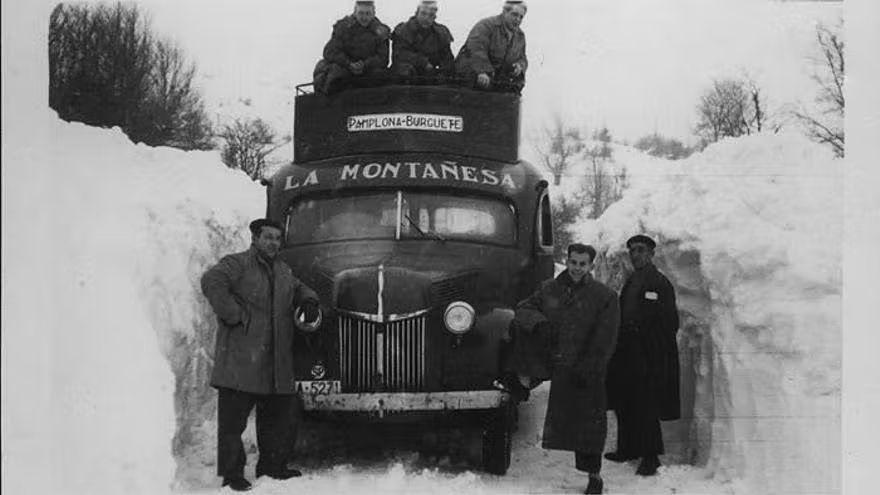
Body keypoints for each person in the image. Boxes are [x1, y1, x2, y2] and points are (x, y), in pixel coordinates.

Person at [201, 219, 322, 492]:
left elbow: (299, 288)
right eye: (267, 237)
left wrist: (309, 300)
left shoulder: (282, 270)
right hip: (240, 361)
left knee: (279, 420)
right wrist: (233, 314)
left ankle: (273, 467)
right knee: (232, 425)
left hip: (275, 364)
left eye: (277, 239)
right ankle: (232, 476)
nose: (273, 243)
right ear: (255, 238)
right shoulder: (237, 264)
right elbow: (211, 280)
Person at [497, 243, 619, 494]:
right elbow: (523, 309)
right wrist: (539, 324)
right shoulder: (550, 289)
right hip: (561, 364)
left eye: (582, 264)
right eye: (573, 262)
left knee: (590, 426)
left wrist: (590, 367)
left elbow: (605, 338)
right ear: (568, 260)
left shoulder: (604, 296)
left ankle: (594, 477)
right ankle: (524, 377)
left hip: (588, 369)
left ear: (590, 266)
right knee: (570, 423)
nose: (576, 268)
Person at [604, 234, 681, 477]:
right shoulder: (632, 281)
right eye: (632, 251)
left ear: (651, 254)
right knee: (624, 401)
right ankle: (627, 448)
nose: (635, 254)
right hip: (626, 351)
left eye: (640, 250)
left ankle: (651, 457)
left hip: (648, 355)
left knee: (646, 404)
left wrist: (651, 346)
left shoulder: (659, 283)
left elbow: (670, 322)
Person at [313, 0, 391, 95]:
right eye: (361, 13)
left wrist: (364, 65)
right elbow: (330, 51)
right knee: (333, 74)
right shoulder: (343, 27)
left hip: (369, 71)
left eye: (368, 13)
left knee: (383, 76)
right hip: (346, 68)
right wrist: (348, 63)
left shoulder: (381, 32)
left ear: (374, 14)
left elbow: (383, 58)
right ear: (355, 12)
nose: (364, 17)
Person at [454, 0, 528, 93]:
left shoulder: (520, 36)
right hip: (470, 80)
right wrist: (482, 71)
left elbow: (522, 57)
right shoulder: (486, 26)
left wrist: (520, 66)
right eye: (514, 15)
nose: (518, 19)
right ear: (505, 12)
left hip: (496, 84)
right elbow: (475, 48)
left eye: (521, 17)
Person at [390, 1, 454, 84]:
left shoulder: (441, 33)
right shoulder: (403, 30)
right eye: (423, 14)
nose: (426, 18)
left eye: (430, 15)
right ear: (416, 13)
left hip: (430, 75)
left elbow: (447, 58)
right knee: (404, 71)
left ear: (434, 17)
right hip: (407, 74)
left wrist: (443, 72)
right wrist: (423, 62)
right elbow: (399, 55)